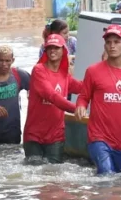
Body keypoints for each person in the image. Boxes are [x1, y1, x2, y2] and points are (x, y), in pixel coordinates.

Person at [75, 24, 121, 174]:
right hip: (98, 138)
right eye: (109, 42)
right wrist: (81, 106)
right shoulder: (93, 71)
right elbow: (83, 97)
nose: (112, 46)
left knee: (117, 182)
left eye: (116, 42)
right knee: (107, 174)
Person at [24, 34, 83, 162]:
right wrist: (77, 109)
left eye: (56, 48)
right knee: (34, 176)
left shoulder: (64, 76)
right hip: (34, 135)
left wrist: (102, 70)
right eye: (49, 47)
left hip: (56, 137)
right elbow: (52, 96)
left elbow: (83, 87)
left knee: (53, 175)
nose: (52, 50)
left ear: (64, 50)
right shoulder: (38, 70)